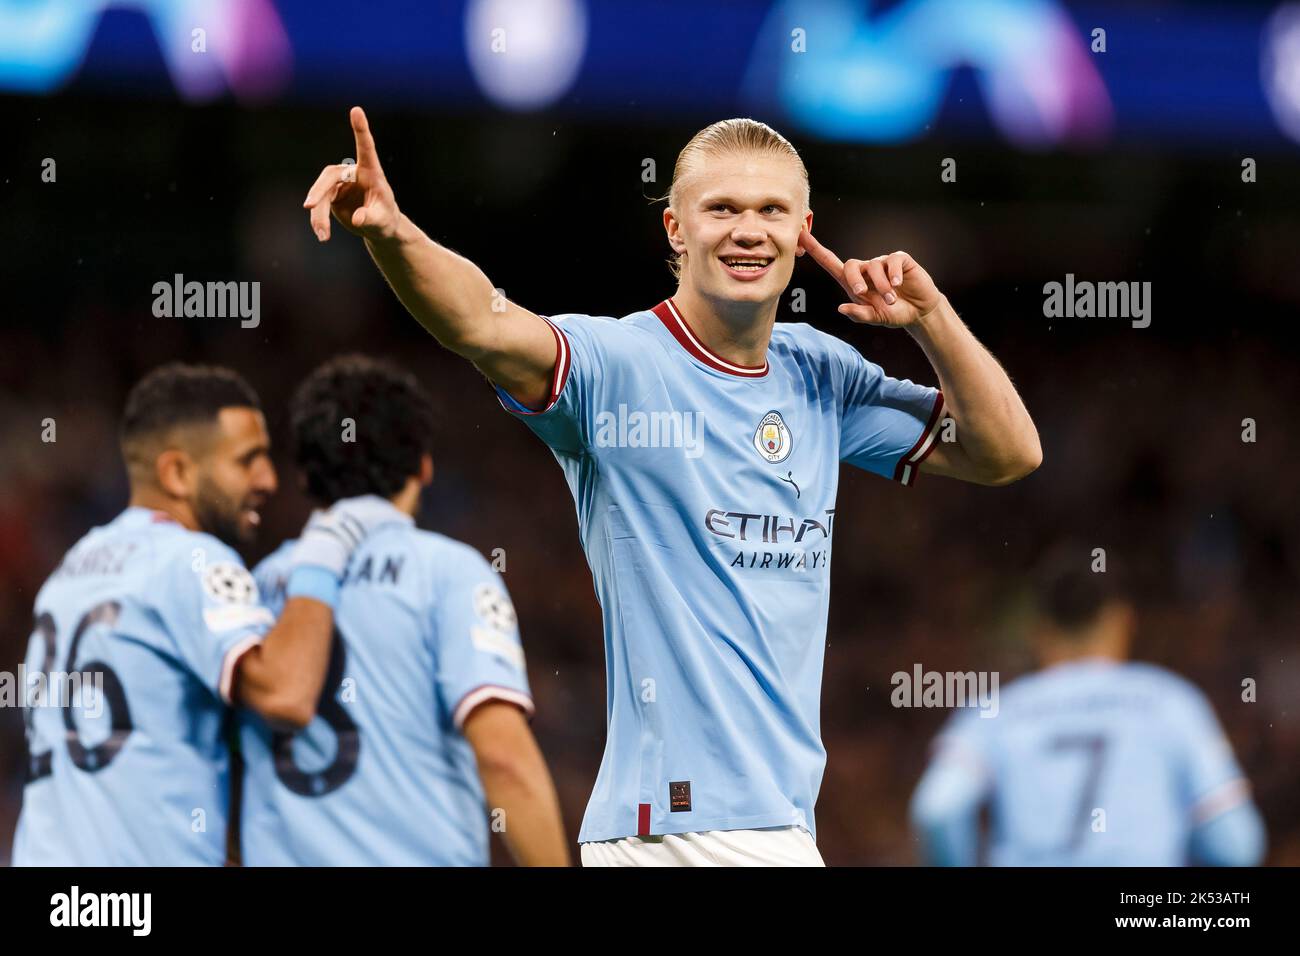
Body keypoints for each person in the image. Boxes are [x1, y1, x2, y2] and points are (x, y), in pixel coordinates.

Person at [303, 108, 1041, 866]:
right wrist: (395, 236)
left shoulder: (820, 374)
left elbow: (1007, 453)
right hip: (674, 831)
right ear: (675, 231)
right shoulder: (619, 364)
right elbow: (482, 323)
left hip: (775, 826)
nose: (748, 231)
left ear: (804, 228)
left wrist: (933, 319)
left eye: (770, 211)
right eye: (721, 209)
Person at [12, 363, 387, 865]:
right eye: (247, 460)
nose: (269, 480)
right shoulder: (189, 560)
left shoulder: (72, 570)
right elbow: (287, 694)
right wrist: (321, 556)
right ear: (177, 473)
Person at [239, 355, 569, 865]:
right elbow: (505, 759)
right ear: (423, 465)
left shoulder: (255, 592)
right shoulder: (449, 573)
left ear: (305, 475)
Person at [909, 544, 1267, 865]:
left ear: (1039, 629)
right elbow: (1237, 844)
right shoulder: (1170, 701)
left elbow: (938, 809)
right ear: (1122, 621)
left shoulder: (996, 710)